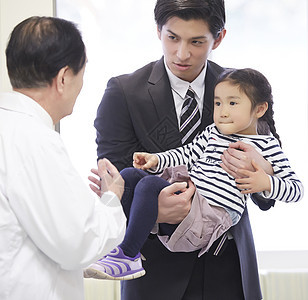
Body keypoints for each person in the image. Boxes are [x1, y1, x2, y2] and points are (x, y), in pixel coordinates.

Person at [92, 1, 277, 299]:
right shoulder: (123, 93)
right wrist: (154, 213)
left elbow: (268, 193)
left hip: (228, 264)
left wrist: (262, 171)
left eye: (197, 42)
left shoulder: (246, 90)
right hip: (154, 274)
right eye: (172, 38)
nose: (182, 53)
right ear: (158, 31)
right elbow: (113, 187)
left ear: (218, 38)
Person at [85, 67, 303, 280]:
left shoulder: (267, 145)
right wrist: (156, 159)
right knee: (131, 176)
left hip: (211, 215)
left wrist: (264, 181)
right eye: (218, 103)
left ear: (259, 109)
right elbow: (186, 154)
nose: (223, 111)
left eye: (233, 103)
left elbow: (296, 190)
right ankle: (116, 246)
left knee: (148, 186)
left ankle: (128, 255)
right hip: (191, 198)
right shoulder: (213, 133)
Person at [0, 16, 126, 300]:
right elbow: (78, 242)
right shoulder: (35, 141)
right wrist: (112, 199)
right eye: (83, 73)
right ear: (64, 78)